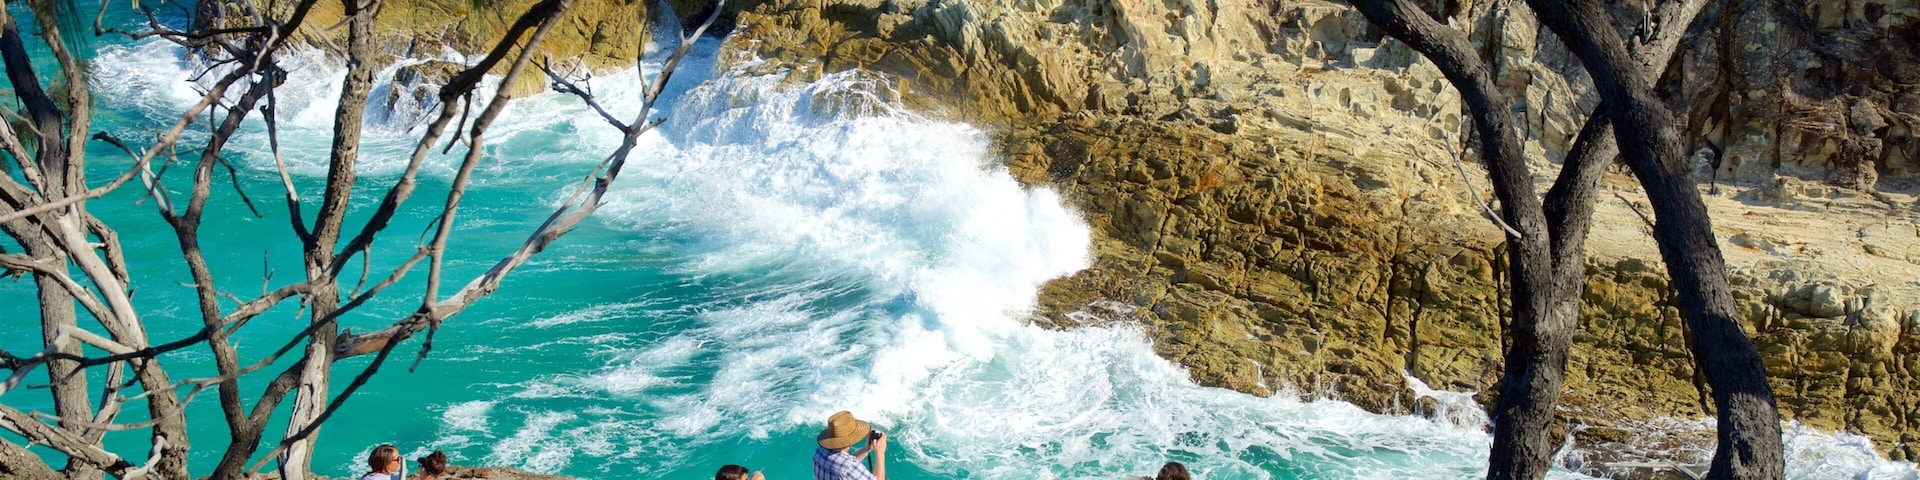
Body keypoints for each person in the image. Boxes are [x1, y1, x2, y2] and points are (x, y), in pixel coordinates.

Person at [812, 410, 885, 480]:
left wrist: (867, 448)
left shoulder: (820, 451)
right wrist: (880, 453)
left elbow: (843, 462)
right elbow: (847, 467)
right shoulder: (849, 467)